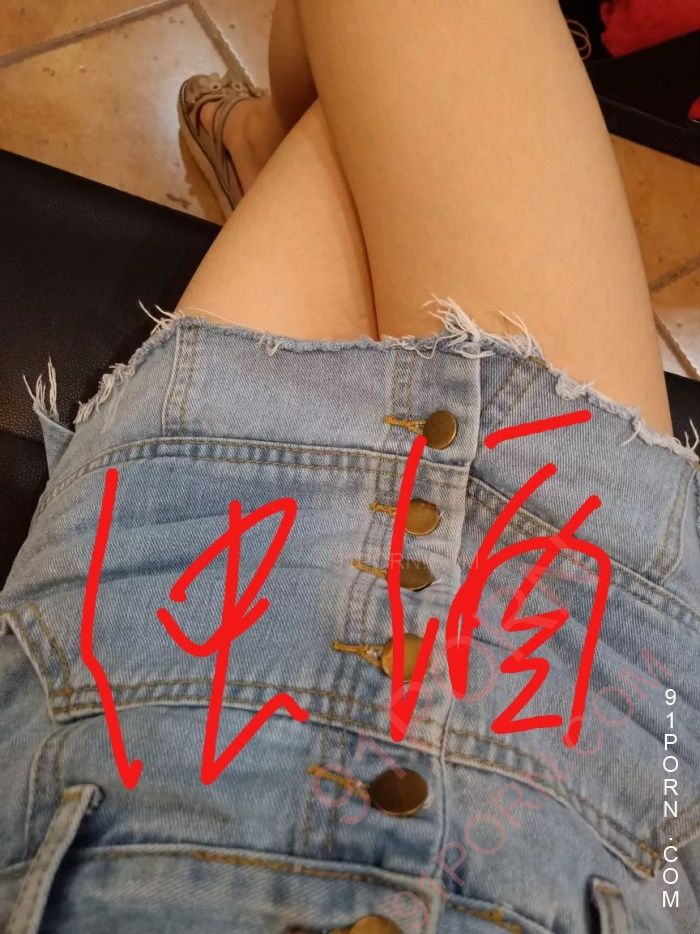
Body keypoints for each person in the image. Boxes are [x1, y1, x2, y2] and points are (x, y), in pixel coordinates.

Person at [0, 2, 698, 932]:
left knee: (392, 77)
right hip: (594, 730)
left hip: (159, 676)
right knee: (406, 66)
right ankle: (261, 139)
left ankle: (262, 138)